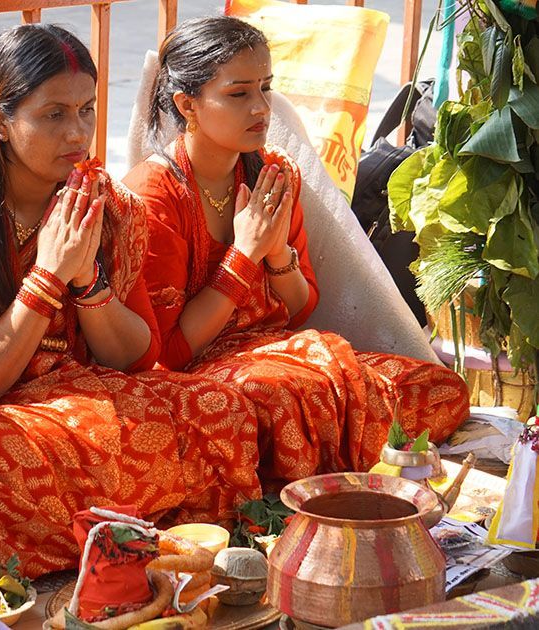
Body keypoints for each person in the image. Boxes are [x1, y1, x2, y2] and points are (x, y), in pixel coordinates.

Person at [0, 24, 261, 576]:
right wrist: (46, 279)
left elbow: (138, 355)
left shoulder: (101, 203)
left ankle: (121, 547)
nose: (78, 132)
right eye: (54, 114)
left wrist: (87, 284)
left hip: (78, 395)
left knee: (220, 408)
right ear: (1, 121)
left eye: (86, 110)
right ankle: (126, 547)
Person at [123, 15, 468, 484]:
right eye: (239, 93)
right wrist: (243, 254)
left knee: (436, 387)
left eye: (265, 88)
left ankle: (313, 460)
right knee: (278, 400)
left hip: (279, 356)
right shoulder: (154, 193)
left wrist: (276, 252)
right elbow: (172, 352)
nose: (261, 108)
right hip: (204, 380)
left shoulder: (273, 173)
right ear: (188, 105)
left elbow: (300, 307)